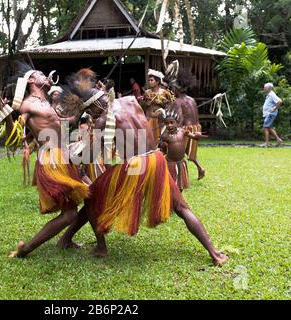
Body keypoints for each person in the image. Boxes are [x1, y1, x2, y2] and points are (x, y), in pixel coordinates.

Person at [57, 69, 228, 266]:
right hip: (156, 159)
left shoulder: (102, 120)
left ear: (96, 105)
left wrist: (70, 150)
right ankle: (215, 254)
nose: (92, 116)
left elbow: (86, 154)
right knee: (181, 207)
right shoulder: (130, 101)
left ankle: (100, 247)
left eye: (91, 112)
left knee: (91, 196)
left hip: (135, 166)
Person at [0, 64, 88, 258]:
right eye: (40, 74)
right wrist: (4, 116)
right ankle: (26, 249)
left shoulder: (48, 104)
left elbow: (64, 122)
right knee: (70, 214)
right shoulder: (27, 104)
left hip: (64, 157)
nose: (45, 76)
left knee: (78, 206)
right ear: (30, 80)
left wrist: (83, 107)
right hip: (50, 160)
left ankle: (67, 240)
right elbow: (15, 134)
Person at [169, 69, 206, 180]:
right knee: (190, 152)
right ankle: (200, 168)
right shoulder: (192, 99)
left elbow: (179, 119)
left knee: (179, 153)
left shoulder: (177, 101)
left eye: (173, 89)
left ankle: (180, 176)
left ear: (176, 89)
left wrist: (176, 130)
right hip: (197, 127)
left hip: (186, 128)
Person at [159, 110, 207, 191]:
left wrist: (197, 136)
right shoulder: (165, 136)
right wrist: (161, 146)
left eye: (171, 122)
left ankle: (179, 197)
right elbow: (162, 150)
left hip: (181, 162)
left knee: (180, 184)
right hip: (171, 163)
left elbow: (194, 136)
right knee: (171, 185)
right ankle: (172, 198)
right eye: (167, 123)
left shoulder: (182, 131)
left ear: (176, 123)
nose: (169, 125)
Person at [142, 69, 175, 143]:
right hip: (148, 119)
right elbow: (141, 107)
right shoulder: (147, 93)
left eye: (152, 80)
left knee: (160, 139)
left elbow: (170, 106)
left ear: (157, 82)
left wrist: (160, 103)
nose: (150, 82)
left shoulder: (165, 93)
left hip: (160, 120)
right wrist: (146, 104)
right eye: (149, 80)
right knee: (148, 140)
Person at [260, 83, 283, 147]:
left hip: (270, 114)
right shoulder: (269, 95)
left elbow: (279, 101)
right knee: (269, 127)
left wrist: (274, 108)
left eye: (265, 87)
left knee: (265, 127)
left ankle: (267, 143)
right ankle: (278, 140)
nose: (264, 89)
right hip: (268, 114)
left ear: (269, 88)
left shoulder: (272, 94)